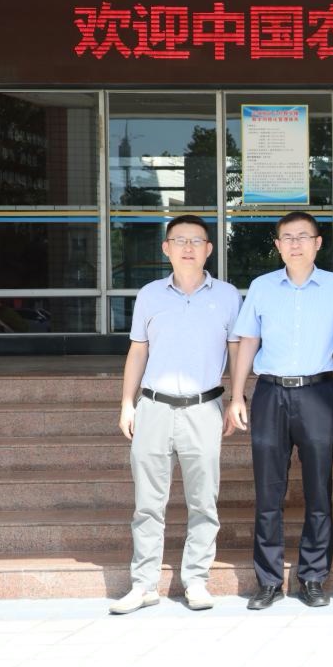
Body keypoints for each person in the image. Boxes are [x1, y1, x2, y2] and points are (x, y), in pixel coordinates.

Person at [110, 215, 241, 615]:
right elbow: (138, 350)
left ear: (209, 249)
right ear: (165, 248)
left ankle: (196, 580)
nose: (187, 247)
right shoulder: (150, 295)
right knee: (148, 504)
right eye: (179, 240)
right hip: (153, 407)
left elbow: (236, 351)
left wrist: (238, 398)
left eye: (196, 240)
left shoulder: (228, 296)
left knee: (204, 502)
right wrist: (127, 402)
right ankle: (144, 584)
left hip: (203, 408)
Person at [228, 211, 333, 610]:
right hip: (270, 394)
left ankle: (313, 577)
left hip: (318, 393)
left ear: (318, 243)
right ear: (278, 245)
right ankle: (268, 581)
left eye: (303, 236)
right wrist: (237, 395)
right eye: (288, 237)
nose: (295, 243)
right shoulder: (262, 287)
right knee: (268, 492)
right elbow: (248, 341)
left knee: (319, 489)